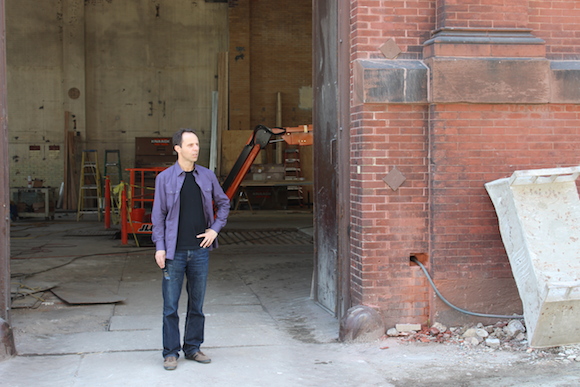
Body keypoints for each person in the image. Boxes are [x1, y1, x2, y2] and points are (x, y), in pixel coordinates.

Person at [151, 128, 230, 371]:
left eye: (197, 144)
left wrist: (215, 229)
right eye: (190, 145)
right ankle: (170, 352)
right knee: (170, 306)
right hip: (174, 253)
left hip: (199, 252)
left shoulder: (207, 176)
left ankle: (193, 348)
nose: (196, 148)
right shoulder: (164, 179)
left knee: (197, 304)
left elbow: (224, 203)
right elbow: (158, 217)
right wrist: (160, 247)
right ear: (177, 148)